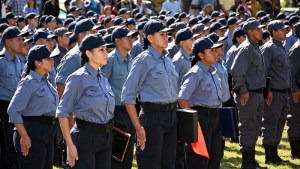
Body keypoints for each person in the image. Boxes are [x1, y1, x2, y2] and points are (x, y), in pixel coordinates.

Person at [121, 20, 178, 169]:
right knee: (150, 163)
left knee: (169, 163)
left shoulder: (167, 59)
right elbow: (127, 95)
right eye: (162, 34)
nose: (166, 37)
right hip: (153, 117)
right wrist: (138, 128)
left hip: (171, 116)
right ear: (150, 38)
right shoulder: (143, 60)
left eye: (167, 34)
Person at [56, 34, 114, 169]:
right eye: (101, 50)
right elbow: (62, 112)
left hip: (105, 137)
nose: (106, 53)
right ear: (89, 53)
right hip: (85, 138)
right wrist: (70, 145)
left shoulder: (103, 78)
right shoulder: (78, 78)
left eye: (106, 49)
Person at [7, 45, 58, 169]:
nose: (52, 61)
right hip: (32, 132)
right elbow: (13, 111)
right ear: (37, 63)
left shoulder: (46, 81)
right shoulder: (28, 82)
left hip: (47, 132)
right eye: (48, 59)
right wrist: (24, 137)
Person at [178, 37, 223, 169]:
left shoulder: (213, 72)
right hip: (201, 119)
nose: (216, 53)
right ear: (201, 55)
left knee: (215, 158)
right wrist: (193, 123)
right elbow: (182, 99)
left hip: (215, 119)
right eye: (211, 51)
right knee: (199, 159)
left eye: (216, 50)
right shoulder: (196, 72)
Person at [231, 20, 267, 169]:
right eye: (258, 29)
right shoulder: (246, 48)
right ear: (250, 31)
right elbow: (236, 71)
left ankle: (251, 160)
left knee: (255, 126)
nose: (261, 31)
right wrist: (243, 90)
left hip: (257, 93)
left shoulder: (255, 47)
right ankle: (247, 162)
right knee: (248, 126)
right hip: (249, 94)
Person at [101, 26, 136, 169]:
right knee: (115, 157)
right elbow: (102, 86)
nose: (131, 40)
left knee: (127, 158)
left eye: (131, 37)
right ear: (117, 40)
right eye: (127, 38)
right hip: (115, 113)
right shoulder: (110, 60)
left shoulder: (131, 59)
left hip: (131, 111)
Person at [260, 20, 290, 165]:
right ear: (274, 32)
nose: (285, 31)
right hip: (274, 92)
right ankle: (269, 155)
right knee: (271, 123)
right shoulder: (269, 48)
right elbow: (263, 72)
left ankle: (275, 152)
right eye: (282, 29)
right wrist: (267, 91)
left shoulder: (281, 47)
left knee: (280, 123)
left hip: (284, 92)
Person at [0, 26, 25, 169]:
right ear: (8, 42)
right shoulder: (1, 61)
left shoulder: (19, 61)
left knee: (15, 147)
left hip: (18, 109)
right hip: (3, 109)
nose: (22, 42)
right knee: (6, 149)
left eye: (22, 39)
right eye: (18, 39)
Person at [171, 27, 196, 169]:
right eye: (191, 39)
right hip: (179, 105)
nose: (194, 41)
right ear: (181, 43)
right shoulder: (178, 60)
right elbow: (173, 84)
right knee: (180, 144)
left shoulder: (187, 58)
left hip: (187, 104)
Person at [287, 22, 300, 159]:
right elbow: (290, 72)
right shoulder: (297, 48)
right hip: (297, 91)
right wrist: (295, 89)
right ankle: (296, 152)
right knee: (295, 120)